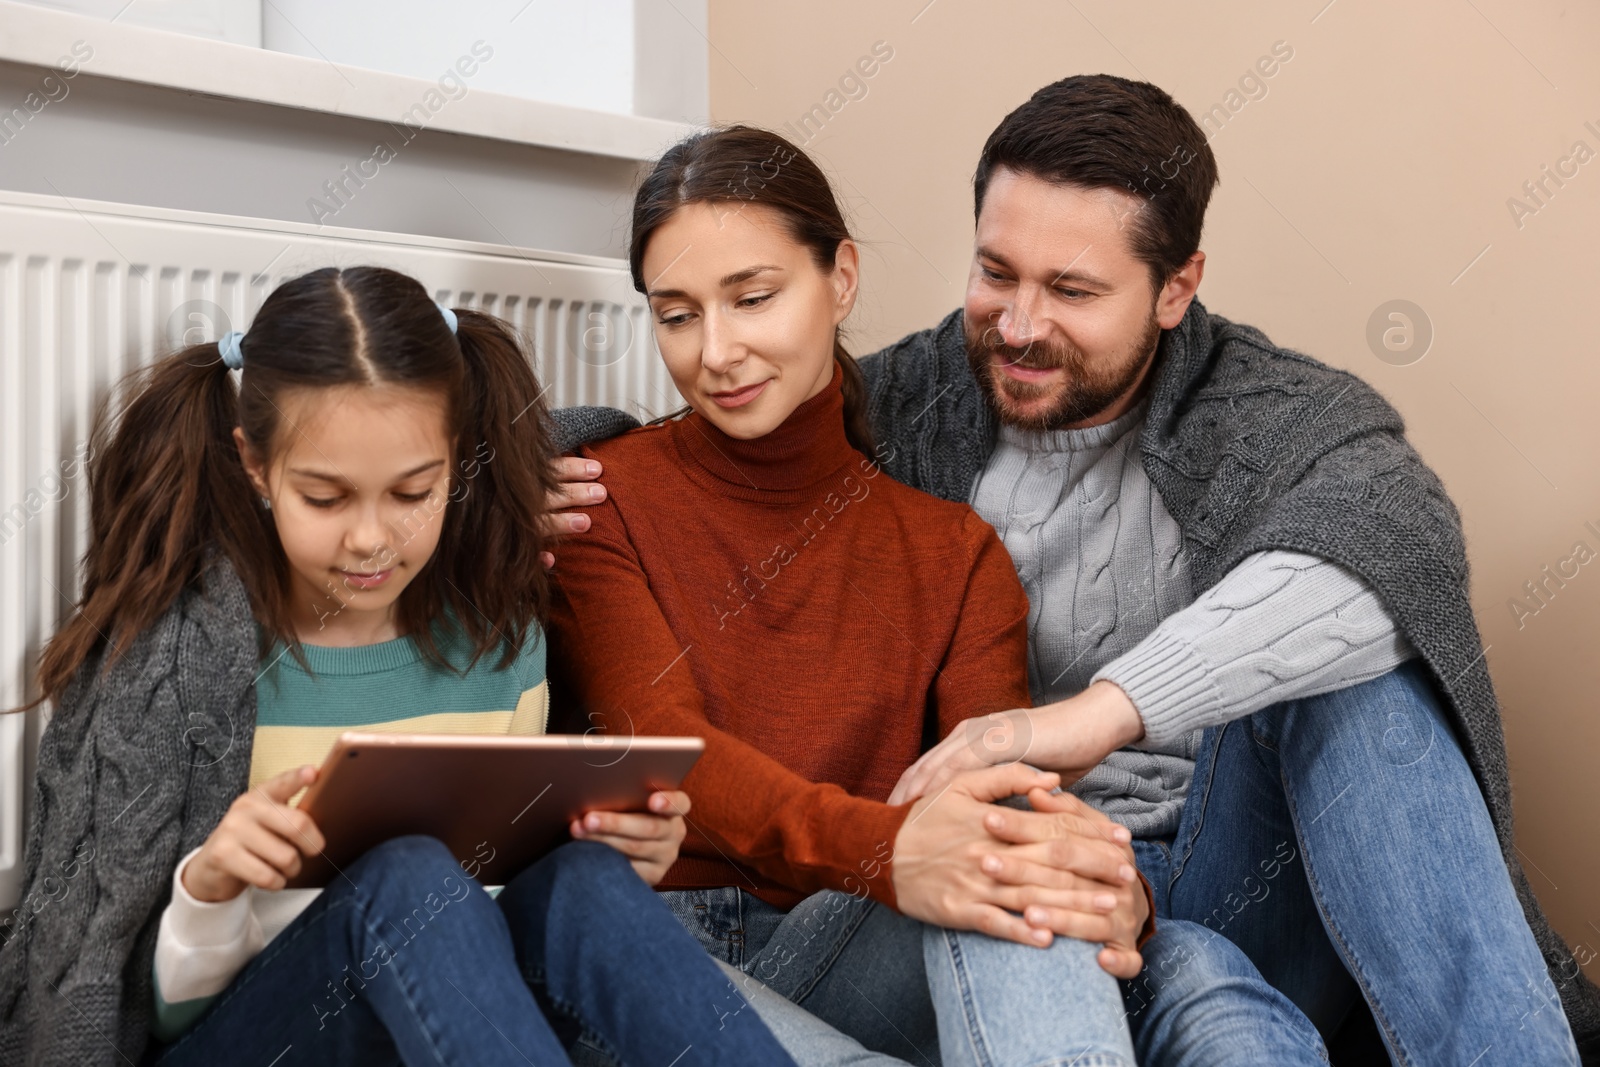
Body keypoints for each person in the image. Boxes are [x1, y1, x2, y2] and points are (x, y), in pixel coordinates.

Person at [551, 79, 1598, 1066]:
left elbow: (1389, 542)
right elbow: (728, 433)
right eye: (995, 272)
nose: (1018, 324)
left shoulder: (1259, 418)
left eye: (1072, 289)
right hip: (956, 877)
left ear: (1177, 286)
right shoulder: (915, 400)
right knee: (1097, 925)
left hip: (1203, 869)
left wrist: (1087, 719)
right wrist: (511, 472)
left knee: (1340, 685)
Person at [0, 266, 796, 1067]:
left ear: (457, 463)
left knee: (584, 881)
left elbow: (501, 926)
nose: (371, 539)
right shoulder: (193, 659)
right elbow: (151, 1020)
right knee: (412, 877)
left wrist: (629, 855)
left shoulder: (501, 637)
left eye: (413, 491)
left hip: (446, 1029)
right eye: (326, 498)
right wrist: (210, 887)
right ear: (254, 464)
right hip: (254, 1037)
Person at [542, 126, 1152, 1067]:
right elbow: (667, 752)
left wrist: (1114, 888)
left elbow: (994, 794)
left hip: (853, 933)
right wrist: (895, 849)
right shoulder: (596, 500)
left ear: (842, 280)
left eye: (753, 298)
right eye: (677, 314)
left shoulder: (953, 553)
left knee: (1028, 849)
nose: (716, 351)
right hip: (659, 941)